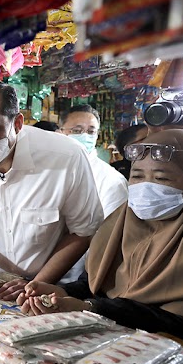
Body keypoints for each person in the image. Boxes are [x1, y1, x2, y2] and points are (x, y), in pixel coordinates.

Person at [17, 129, 183, 345]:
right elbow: (95, 284)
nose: (146, 186)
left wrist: (94, 308)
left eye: (161, 177)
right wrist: (61, 292)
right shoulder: (120, 223)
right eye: (137, 176)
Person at [0, 80, 104, 302]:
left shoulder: (66, 157)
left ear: (17, 123)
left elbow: (83, 231)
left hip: (55, 282)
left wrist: (38, 284)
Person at [58, 105, 129, 282]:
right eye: (77, 130)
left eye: (91, 131)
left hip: (79, 277)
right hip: (33, 272)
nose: (85, 136)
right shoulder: (48, 170)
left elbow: (108, 238)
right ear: (60, 132)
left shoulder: (112, 181)